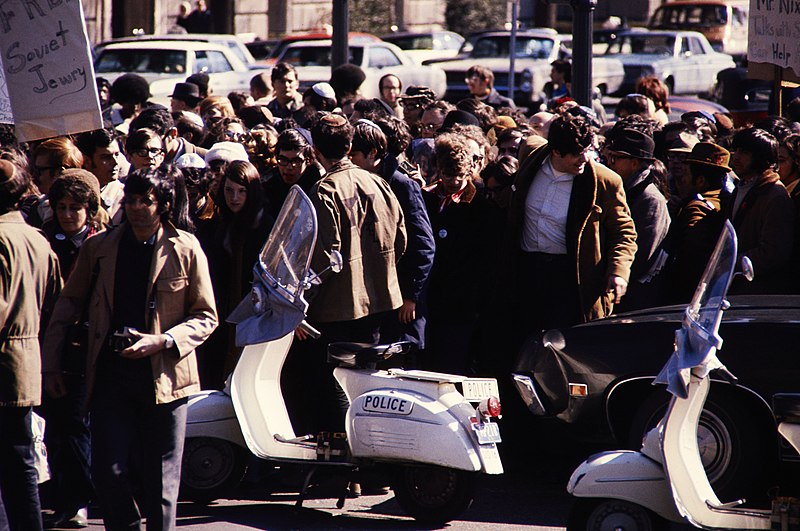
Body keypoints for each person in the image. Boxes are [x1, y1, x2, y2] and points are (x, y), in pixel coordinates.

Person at [42, 167, 218, 531]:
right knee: (107, 471)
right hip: (111, 374)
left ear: (163, 205)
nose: (137, 208)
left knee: (161, 481)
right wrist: (51, 365)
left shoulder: (184, 247)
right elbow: (67, 305)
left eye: (146, 201)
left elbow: (205, 316)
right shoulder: (100, 247)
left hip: (166, 378)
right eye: (132, 200)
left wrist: (164, 341)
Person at [304, 113, 406, 430]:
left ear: (315, 151)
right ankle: (367, 462)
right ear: (350, 145)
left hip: (335, 307)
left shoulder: (324, 190)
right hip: (379, 303)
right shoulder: (379, 182)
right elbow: (401, 239)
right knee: (366, 386)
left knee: (334, 385)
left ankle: (345, 466)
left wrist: (303, 300)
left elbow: (324, 256)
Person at [508, 113, 637, 335]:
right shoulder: (532, 157)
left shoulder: (604, 181)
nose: (585, 159)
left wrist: (618, 271)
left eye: (588, 150)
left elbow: (624, 232)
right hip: (526, 271)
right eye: (577, 154)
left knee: (561, 348)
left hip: (571, 279)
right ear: (556, 151)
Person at [39, 170, 104, 529]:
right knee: (58, 426)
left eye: (75, 208)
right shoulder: (47, 242)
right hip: (53, 344)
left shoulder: (103, 244)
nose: (67, 214)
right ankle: (66, 497)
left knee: (80, 424)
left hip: (91, 346)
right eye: (61, 207)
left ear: (89, 210)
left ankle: (81, 498)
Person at [0, 159, 61, 531]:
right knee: (20, 460)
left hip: (3, 361)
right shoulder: (37, 238)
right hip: (27, 361)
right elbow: (57, 300)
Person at [350, 119, 435, 350]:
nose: (350, 162)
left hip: (400, 301)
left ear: (373, 153)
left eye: (354, 155)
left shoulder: (402, 185)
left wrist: (411, 296)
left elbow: (423, 245)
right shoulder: (358, 182)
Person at [422, 132, 497, 373]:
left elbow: (485, 259)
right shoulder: (427, 198)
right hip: (430, 300)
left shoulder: (481, 205)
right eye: (447, 175)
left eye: (460, 175)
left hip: (461, 304)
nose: (454, 181)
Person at [201, 160, 272, 388]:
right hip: (222, 308)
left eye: (242, 192)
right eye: (229, 190)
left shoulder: (263, 225)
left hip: (252, 310)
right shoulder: (218, 222)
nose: (235, 198)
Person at [604, 128, 670, 311]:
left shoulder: (650, 199)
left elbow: (642, 256)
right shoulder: (624, 189)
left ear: (634, 163)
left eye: (616, 158)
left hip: (635, 298)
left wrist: (616, 272)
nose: (610, 163)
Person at [727, 127, 794, 294]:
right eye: (736, 151)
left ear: (760, 157)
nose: (736, 157)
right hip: (735, 286)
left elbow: (773, 252)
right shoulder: (742, 187)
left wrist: (732, 263)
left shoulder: (775, 195)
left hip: (756, 292)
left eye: (744, 152)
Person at [664, 142, 731, 303]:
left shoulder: (696, 207)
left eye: (686, 174)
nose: (682, 179)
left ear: (700, 181)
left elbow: (689, 258)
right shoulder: (725, 201)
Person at [262, 128, 321, 219]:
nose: (289, 167)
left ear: (308, 160)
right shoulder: (268, 186)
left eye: (296, 161)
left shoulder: (317, 188)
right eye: (283, 160)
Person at [75, 128, 127, 225]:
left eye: (117, 155)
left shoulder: (126, 196)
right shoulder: (72, 196)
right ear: (86, 161)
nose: (115, 162)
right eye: (106, 157)